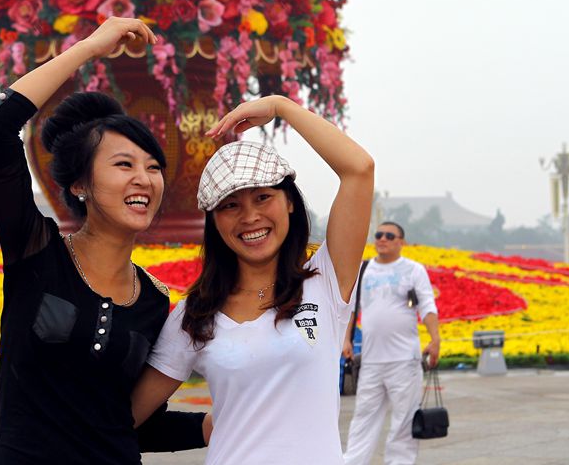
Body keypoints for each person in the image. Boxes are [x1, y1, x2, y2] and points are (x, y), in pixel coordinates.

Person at [0, 17, 208, 464]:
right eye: (124, 165)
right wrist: (89, 48)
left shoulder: (154, 303)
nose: (144, 178)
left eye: (154, 166)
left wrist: (214, 425)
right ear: (80, 184)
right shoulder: (36, 252)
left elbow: (128, 421)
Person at [131, 94, 375, 464]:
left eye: (263, 198)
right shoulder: (194, 315)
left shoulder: (325, 280)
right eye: (230, 205)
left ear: (290, 202)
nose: (250, 217)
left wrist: (281, 107)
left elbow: (359, 168)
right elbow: (124, 418)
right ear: (214, 221)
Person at [342, 221, 440, 465]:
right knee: (363, 418)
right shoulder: (363, 270)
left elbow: (427, 305)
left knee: (404, 421)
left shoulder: (413, 270)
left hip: (404, 360)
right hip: (373, 360)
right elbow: (351, 310)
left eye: (389, 235)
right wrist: (345, 339)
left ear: (401, 242)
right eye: (379, 235)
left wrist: (435, 338)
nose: (382, 239)